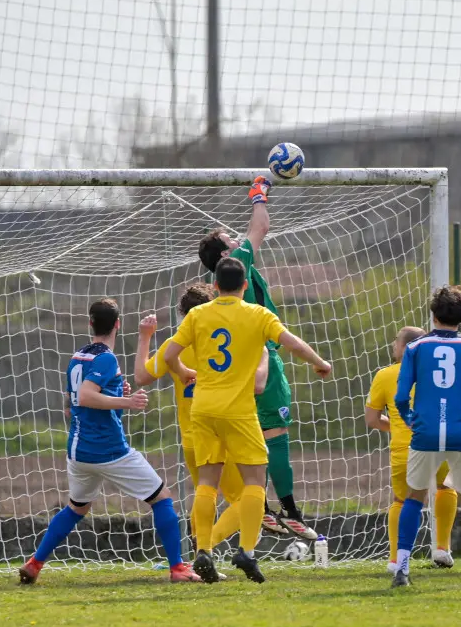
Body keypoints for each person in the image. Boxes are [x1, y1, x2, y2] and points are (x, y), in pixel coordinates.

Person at [164, 257, 332, 583]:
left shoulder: (197, 315)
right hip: (239, 411)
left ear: (215, 286)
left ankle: (203, 550)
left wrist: (184, 372)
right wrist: (319, 362)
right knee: (255, 481)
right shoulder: (257, 314)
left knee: (207, 483)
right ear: (244, 285)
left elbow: (170, 354)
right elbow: (291, 342)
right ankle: (247, 551)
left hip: (203, 410)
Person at [19, 298, 201, 585]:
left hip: (78, 451)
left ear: (90, 323)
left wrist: (116, 393)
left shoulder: (79, 356)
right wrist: (128, 401)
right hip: (108, 449)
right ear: (118, 324)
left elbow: (71, 404)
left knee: (76, 508)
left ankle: (35, 563)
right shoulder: (106, 358)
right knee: (162, 497)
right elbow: (86, 396)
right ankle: (178, 568)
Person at [196, 176, 317, 540]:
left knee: (249, 439)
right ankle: (289, 511)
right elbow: (261, 226)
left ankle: (260, 509)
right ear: (224, 255)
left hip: (227, 376)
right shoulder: (237, 261)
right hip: (262, 356)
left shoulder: (216, 290)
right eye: (229, 239)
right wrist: (258, 193)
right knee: (275, 432)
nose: (237, 240)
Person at [135, 283, 269, 568]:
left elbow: (141, 377)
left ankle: (200, 557)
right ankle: (205, 550)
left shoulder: (174, 346)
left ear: (182, 314)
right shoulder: (226, 341)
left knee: (204, 493)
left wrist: (145, 337)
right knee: (247, 496)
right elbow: (257, 384)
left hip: (192, 437)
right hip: (225, 428)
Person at [392, 286, 461, 589]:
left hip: (426, 432)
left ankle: (401, 570)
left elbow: (401, 396)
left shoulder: (415, 347)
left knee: (414, 499)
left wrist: (409, 418)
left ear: (433, 315)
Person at [365, 326, 458, 572]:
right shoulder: (439, 373)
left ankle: (396, 560)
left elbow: (371, 420)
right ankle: (442, 548)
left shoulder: (385, 375)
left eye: (396, 340)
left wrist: (397, 427)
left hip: (404, 449)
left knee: (401, 500)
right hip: (439, 444)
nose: (393, 344)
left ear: (406, 347)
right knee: (445, 487)